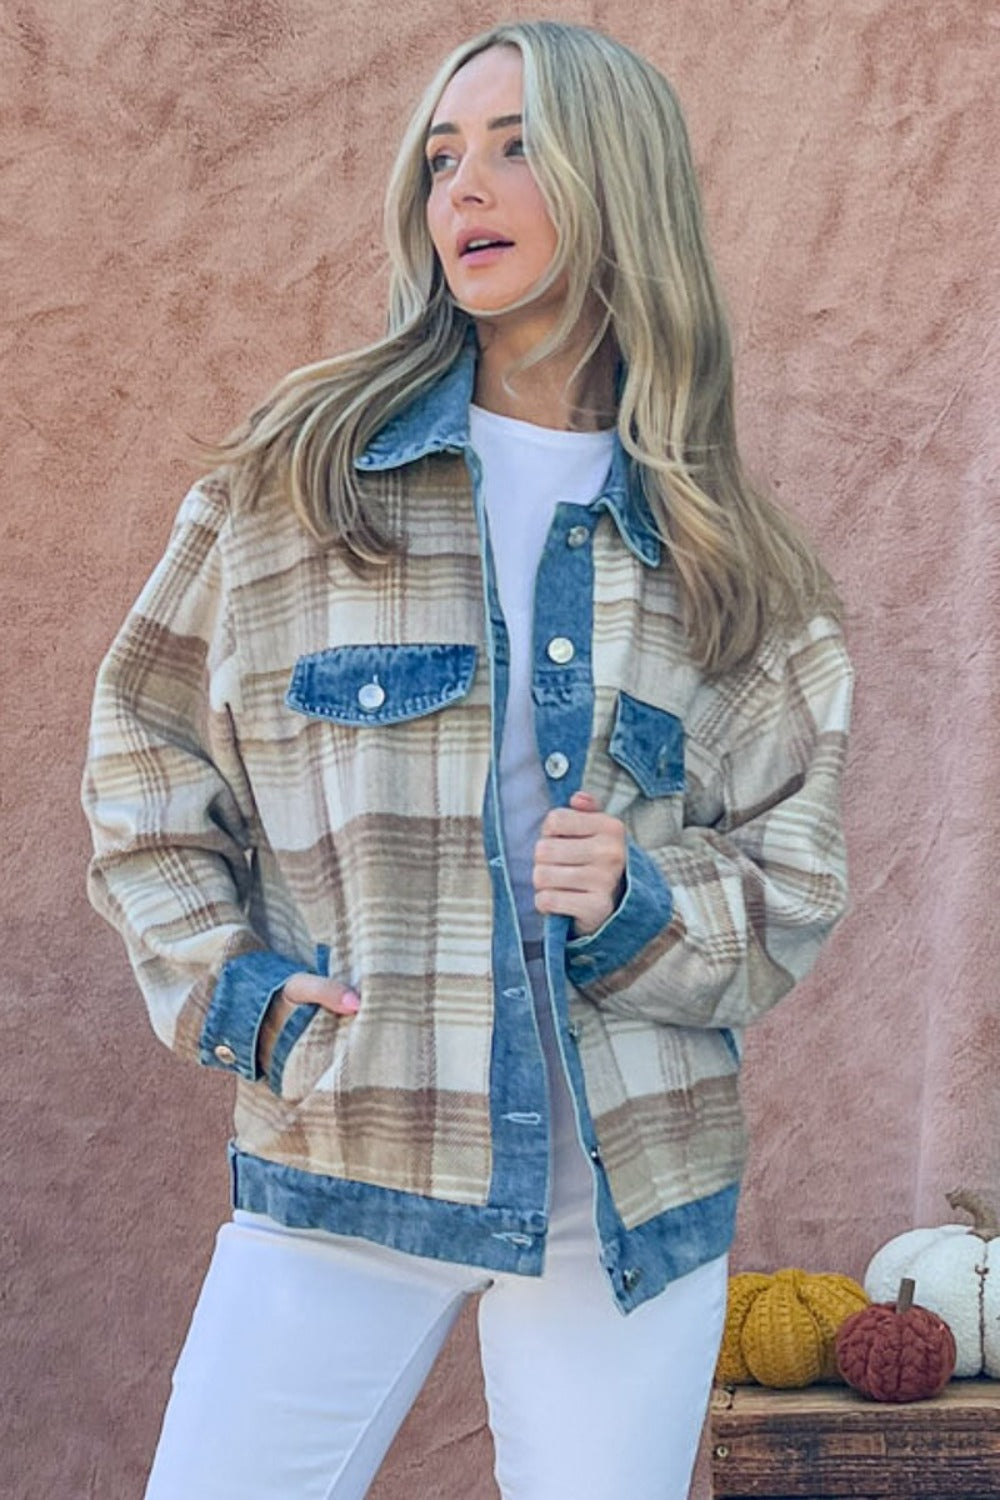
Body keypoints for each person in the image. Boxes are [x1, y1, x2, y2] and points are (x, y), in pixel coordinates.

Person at [82, 19, 852, 1500]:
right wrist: (241, 1000)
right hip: (353, 1132)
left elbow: (792, 883)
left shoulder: (738, 570)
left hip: (627, 1195)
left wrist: (644, 897)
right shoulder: (301, 480)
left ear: (617, 183)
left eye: (515, 147)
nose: (465, 191)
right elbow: (144, 759)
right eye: (443, 158)